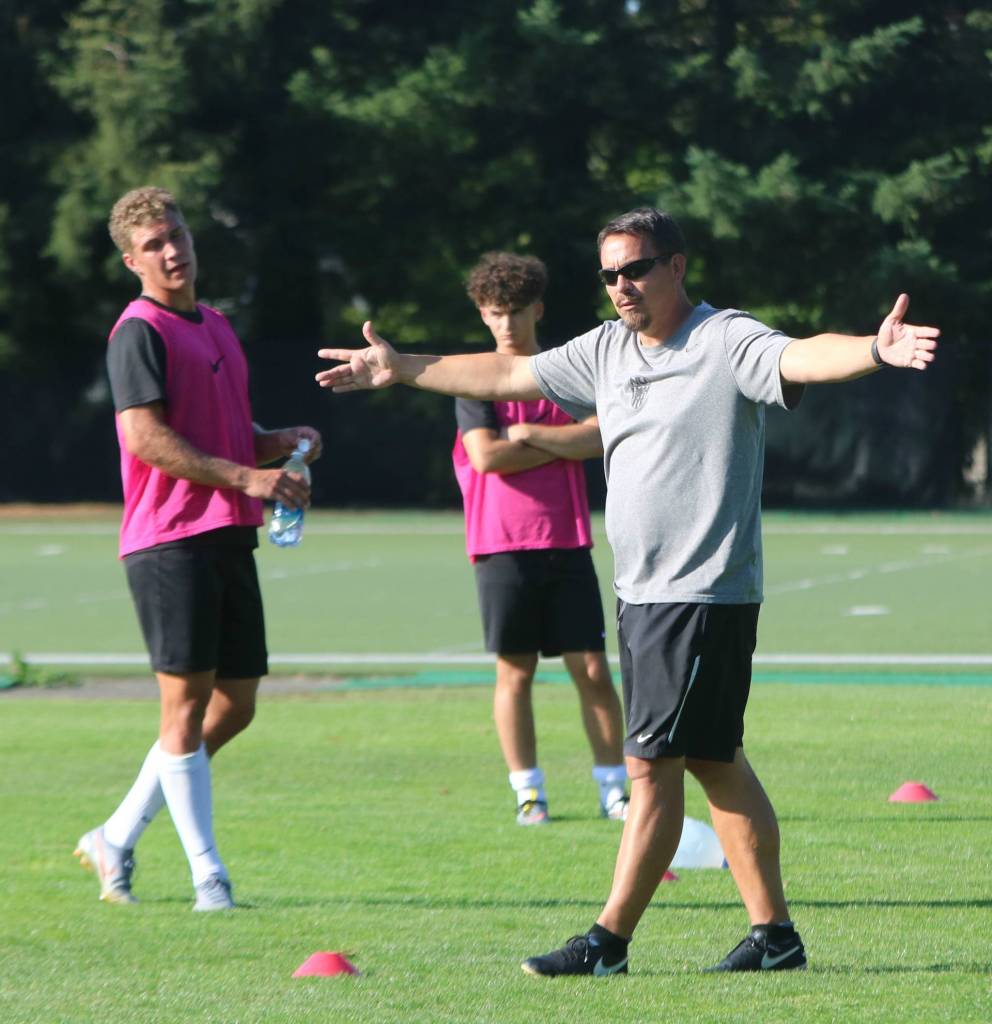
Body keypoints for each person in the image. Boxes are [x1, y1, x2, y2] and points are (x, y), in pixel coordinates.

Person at [314, 207, 939, 972]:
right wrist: (402, 368)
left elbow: (802, 356)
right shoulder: (607, 349)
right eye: (609, 273)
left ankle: (607, 943)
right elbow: (508, 373)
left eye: (635, 268)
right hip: (645, 593)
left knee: (649, 769)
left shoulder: (723, 338)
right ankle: (775, 937)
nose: (621, 285)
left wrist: (875, 349)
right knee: (715, 760)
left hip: (700, 593)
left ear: (675, 267)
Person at [74, 186, 322, 911]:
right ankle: (208, 875)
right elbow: (145, 438)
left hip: (227, 533)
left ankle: (116, 835)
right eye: (154, 245)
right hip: (168, 539)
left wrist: (278, 445)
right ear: (132, 260)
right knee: (182, 710)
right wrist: (250, 474)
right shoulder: (137, 331)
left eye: (177, 235)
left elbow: (224, 428)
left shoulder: (214, 323)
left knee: (235, 704)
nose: (172, 251)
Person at [454, 252, 628, 826]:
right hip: (500, 545)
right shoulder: (474, 379)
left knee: (594, 670)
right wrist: (555, 438)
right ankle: (528, 791)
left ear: (538, 310)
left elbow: (598, 440)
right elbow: (486, 455)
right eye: (496, 313)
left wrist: (528, 433)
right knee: (516, 673)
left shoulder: (566, 372)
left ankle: (615, 790)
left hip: (566, 539)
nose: (507, 325)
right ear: (483, 315)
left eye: (517, 312)